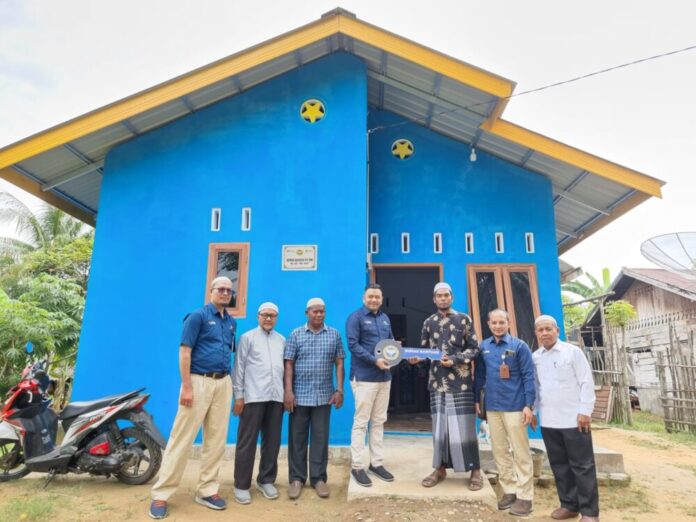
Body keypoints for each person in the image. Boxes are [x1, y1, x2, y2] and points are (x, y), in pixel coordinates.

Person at [149, 276, 236, 520]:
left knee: (216, 440)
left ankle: (207, 490)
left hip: (223, 382)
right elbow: (185, 351)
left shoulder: (231, 322)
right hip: (198, 382)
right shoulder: (197, 316)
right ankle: (161, 494)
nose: (225, 293)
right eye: (221, 289)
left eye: (229, 290)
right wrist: (186, 386)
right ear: (211, 291)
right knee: (182, 438)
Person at [346, 283, 419, 487]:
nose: (374, 300)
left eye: (377, 297)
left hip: (384, 378)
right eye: (370, 296)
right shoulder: (355, 318)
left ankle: (376, 463)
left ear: (381, 298)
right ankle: (357, 466)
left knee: (379, 421)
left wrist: (406, 356)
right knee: (361, 422)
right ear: (364, 298)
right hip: (364, 377)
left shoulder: (385, 319)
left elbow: (392, 346)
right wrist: (374, 360)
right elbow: (353, 345)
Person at [533, 315, 599, 522]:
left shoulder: (572, 352)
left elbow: (586, 382)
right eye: (540, 330)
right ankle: (569, 505)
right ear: (536, 333)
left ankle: (589, 512)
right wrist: (533, 412)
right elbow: (535, 388)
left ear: (557, 331)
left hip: (574, 419)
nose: (544, 333)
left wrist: (585, 411)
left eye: (548, 329)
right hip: (549, 420)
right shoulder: (535, 357)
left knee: (582, 466)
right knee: (559, 465)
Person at [420, 282, 483, 491]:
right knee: (439, 429)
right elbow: (424, 351)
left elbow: (474, 349)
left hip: (461, 383)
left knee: (466, 428)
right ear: (434, 299)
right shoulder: (428, 322)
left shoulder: (464, 319)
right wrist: (414, 358)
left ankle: (475, 470)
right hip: (437, 383)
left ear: (452, 297)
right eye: (439, 296)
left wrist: (455, 359)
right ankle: (439, 469)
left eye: (446, 295)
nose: (443, 298)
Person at [474, 309, 536, 516]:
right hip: (492, 407)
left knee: (521, 452)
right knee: (500, 451)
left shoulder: (519, 346)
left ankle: (525, 497)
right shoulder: (483, 347)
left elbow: (528, 376)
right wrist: (477, 400)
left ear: (508, 323)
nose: (498, 326)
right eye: (494, 323)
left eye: (502, 322)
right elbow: (479, 376)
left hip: (515, 406)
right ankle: (509, 491)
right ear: (488, 324)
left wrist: (528, 405)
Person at [284, 297, 345, 500]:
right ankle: (296, 479)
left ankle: (318, 479)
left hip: (324, 397)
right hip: (299, 396)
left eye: (322, 311)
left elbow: (339, 363)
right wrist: (288, 391)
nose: (319, 314)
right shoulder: (296, 334)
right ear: (307, 313)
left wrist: (339, 390)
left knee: (320, 439)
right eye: (315, 311)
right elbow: (289, 364)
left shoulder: (334, 334)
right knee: (297, 439)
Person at [231, 302, 285, 505]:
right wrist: (239, 396)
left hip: (276, 397)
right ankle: (241, 484)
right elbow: (239, 369)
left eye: (272, 315)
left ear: (276, 318)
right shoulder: (247, 338)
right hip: (252, 397)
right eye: (265, 315)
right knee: (247, 442)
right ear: (258, 316)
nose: (268, 318)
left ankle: (266, 480)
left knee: (272, 442)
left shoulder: (282, 340)